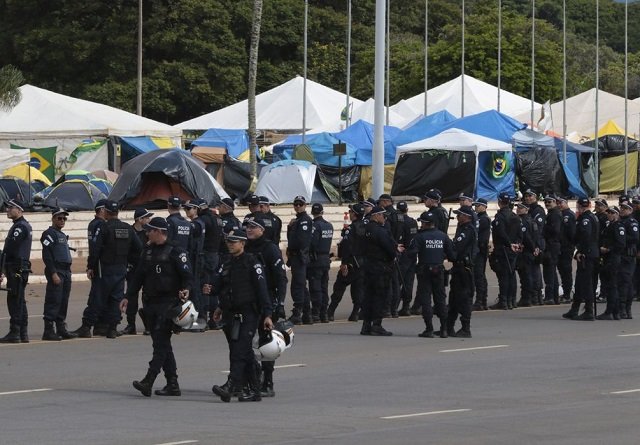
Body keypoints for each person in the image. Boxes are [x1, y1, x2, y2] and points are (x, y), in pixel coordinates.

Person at [122, 217, 193, 397]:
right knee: (162, 344)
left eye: (150, 230)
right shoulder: (147, 251)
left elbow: (187, 276)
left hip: (168, 303)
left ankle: (149, 379)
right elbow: (138, 276)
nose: (147, 233)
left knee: (160, 344)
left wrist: (186, 289)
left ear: (160, 232)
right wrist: (128, 296)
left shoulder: (176, 251)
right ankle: (172, 383)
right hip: (150, 303)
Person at [210, 229, 273, 403]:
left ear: (243, 243)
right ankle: (254, 389)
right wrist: (219, 305)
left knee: (239, 350)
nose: (230, 244)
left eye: (234, 242)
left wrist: (268, 314)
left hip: (248, 313)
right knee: (243, 352)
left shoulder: (252, 263)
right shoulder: (227, 262)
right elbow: (223, 287)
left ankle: (231, 385)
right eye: (228, 242)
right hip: (230, 313)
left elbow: (262, 290)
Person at [73, 200, 141, 339]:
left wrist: (90, 266)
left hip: (105, 268)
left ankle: (86, 327)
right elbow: (139, 248)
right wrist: (128, 260)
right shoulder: (127, 228)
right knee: (116, 299)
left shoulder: (103, 227)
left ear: (107, 212)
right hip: (121, 269)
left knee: (97, 298)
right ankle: (112, 328)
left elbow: (95, 249)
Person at [244, 216, 288, 397]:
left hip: (266, 301)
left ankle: (267, 382)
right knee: (243, 343)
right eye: (247, 226)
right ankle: (246, 378)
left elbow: (281, 278)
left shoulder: (270, 249)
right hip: (247, 301)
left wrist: (279, 303)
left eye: (253, 227)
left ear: (262, 230)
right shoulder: (244, 247)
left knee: (266, 344)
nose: (249, 229)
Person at [408, 211, 454, 338]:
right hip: (439, 270)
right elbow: (452, 254)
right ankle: (444, 329)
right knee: (440, 299)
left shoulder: (419, 237)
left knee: (426, 300)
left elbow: (412, 253)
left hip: (424, 270)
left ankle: (429, 329)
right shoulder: (443, 236)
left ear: (425, 223)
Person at [360, 206, 402, 336]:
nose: (385, 218)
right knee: (380, 296)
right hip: (380, 267)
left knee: (369, 296)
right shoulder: (380, 231)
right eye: (384, 216)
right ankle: (376, 325)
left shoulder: (365, 229)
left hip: (368, 266)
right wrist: (395, 253)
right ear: (377, 216)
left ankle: (366, 325)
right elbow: (390, 249)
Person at [40, 208, 77, 341]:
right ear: (53, 218)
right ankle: (48, 330)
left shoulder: (61, 234)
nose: (62, 220)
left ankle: (61, 328)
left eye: (64, 218)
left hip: (66, 271)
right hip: (57, 270)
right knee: (54, 299)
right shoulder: (48, 234)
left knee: (63, 300)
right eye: (59, 218)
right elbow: (47, 255)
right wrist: (53, 273)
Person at [0, 199, 32, 343]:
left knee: (14, 300)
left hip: (16, 267)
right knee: (19, 300)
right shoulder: (22, 225)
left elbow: (10, 249)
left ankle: (15, 332)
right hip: (20, 267)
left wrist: (1, 267)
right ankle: (23, 333)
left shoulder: (20, 227)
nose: (7, 210)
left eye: (10, 207)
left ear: (19, 210)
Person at [327, 203, 366, 322]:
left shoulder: (350, 229)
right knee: (358, 290)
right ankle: (355, 313)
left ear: (355, 214)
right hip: (362, 263)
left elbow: (346, 247)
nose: (349, 214)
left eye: (351, 212)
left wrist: (344, 263)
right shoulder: (367, 227)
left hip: (351, 262)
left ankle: (330, 312)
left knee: (339, 288)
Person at [563, 198, 599, 321]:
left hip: (587, 254)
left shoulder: (585, 219)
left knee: (586, 282)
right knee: (579, 282)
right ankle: (575, 309)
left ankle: (589, 311)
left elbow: (586, 236)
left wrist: (581, 251)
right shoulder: (592, 217)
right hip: (590, 252)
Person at [120, 207, 153, 335]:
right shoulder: (129, 231)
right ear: (139, 219)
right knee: (131, 296)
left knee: (148, 296)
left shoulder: (148, 232)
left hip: (146, 269)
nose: (149, 219)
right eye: (147, 217)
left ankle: (149, 325)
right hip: (133, 268)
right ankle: (131, 324)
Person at [447, 206, 478, 337]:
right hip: (458, 268)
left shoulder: (467, 230)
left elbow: (457, 248)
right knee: (453, 298)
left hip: (464, 269)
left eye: (459, 215)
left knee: (464, 298)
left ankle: (465, 328)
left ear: (467, 217)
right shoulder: (461, 228)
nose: (457, 217)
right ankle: (448, 327)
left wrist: (448, 248)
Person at [489, 193, 522, 310]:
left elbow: (501, 233)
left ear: (499, 202)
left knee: (504, 276)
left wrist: (509, 244)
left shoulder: (500, 217)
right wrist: (516, 244)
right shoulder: (515, 216)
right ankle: (511, 300)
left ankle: (504, 300)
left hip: (503, 249)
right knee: (511, 275)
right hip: (513, 249)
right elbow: (520, 234)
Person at [195, 198, 224, 327]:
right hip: (215, 255)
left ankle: (203, 317)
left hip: (205, 255)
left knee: (204, 286)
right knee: (213, 286)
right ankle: (213, 319)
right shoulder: (217, 219)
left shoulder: (203, 220)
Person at [286, 195, 313, 325]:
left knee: (297, 285)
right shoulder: (297, 220)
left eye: (300, 204)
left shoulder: (304, 220)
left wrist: (292, 249)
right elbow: (291, 238)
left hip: (300, 256)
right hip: (295, 256)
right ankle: (307, 313)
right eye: (295, 204)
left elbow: (301, 241)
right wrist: (290, 227)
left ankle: (298, 313)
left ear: (305, 205)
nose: (297, 206)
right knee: (301, 285)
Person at [597, 206, 625, 320]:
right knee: (610, 285)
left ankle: (610, 311)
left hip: (613, 258)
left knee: (612, 286)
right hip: (608, 258)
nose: (609, 214)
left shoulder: (618, 226)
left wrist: (608, 249)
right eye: (608, 212)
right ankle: (615, 312)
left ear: (617, 214)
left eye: (612, 213)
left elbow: (621, 244)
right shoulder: (610, 225)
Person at [307, 203, 334, 323]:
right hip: (325, 259)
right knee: (324, 287)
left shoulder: (314, 225)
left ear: (312, 212)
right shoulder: (329, 225)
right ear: (322, 212)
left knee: (315, 288)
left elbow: (313, 243)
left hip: (316, 260)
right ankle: (324, 313)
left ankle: (316, 313)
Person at [183, 199, 207, 330]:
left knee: (195, 289)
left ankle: (199, 320)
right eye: (185, 208)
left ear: (196, 209)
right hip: (195, 257)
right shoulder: (198, 223)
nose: (186, 211)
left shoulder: (196, 224)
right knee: (194, 288)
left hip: (196, 258)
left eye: (189, 208)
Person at [524, 189, 546, 305]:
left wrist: (537, 246)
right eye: (526, 196)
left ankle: (537, 296)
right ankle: (533, 295)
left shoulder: (538, 211)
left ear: (535, 197)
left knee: (535, 270)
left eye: (530, 196)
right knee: (530, 271)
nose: (528, 198)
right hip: (530, 243)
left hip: (536, 243)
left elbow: (539, 230)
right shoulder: (529, 210)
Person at [515, 202, 539, 307]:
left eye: (521, 208)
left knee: (526, 276)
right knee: (529, 275)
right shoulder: (531, 220)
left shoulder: (524, 221)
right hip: (530, 251)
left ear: (526, 209)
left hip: (526, 251)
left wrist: (533, 248)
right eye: (518, 207)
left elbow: (527, 237)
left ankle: (527, 298)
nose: (518, 209)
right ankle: (532, 297)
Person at [396, 201, 418, 316]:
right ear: (407, 210)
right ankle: (406, 306)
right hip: (412, 254)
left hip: (402, 254)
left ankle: (393, 307)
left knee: (397, 282)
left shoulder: (399, 223)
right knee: (408, 282)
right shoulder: (413, 222)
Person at [618, 202, 638, 318]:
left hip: (628, 256)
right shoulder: (621, 222)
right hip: (621, 255)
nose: (622, 210)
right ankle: (624, 309)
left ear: (630, 210)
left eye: (625, 208)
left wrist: (622, 237)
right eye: (621, 208)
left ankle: (625, 309)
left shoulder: (631, 222)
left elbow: (635, 238)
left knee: (626, 282)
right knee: (624, 282)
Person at [542, 196, 562, 305]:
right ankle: (554, 296)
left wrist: (544, 229)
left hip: (552, 245)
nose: (547, 204)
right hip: (551, 245)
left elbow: (556, 230)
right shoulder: (551, 213)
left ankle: (550, 296)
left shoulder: (555, 214)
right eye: (545, 202)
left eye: (549, 202)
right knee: (551, 272)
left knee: (549, 272)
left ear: (554, 202)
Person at [472, 198, 491, 311]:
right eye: (475, 206)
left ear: (484, 206)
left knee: (479, 276)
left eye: (478, 206)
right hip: (478, 250)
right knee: (478, 276)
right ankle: (481, 300)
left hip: (480, 251)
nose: (476, 208)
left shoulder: (483, 219)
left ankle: (481, 300)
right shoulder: (478, 218)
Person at [557, 197, 576, 303]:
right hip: (560, 247)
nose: (559, 205)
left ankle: (567, 294)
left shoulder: (569, 215)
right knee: (562, 271)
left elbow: (572, 233)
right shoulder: (560, 214)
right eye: (558, 203)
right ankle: (565, 292)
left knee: (566, 271)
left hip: (567, 247)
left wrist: (571, 245)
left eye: (561, 203)